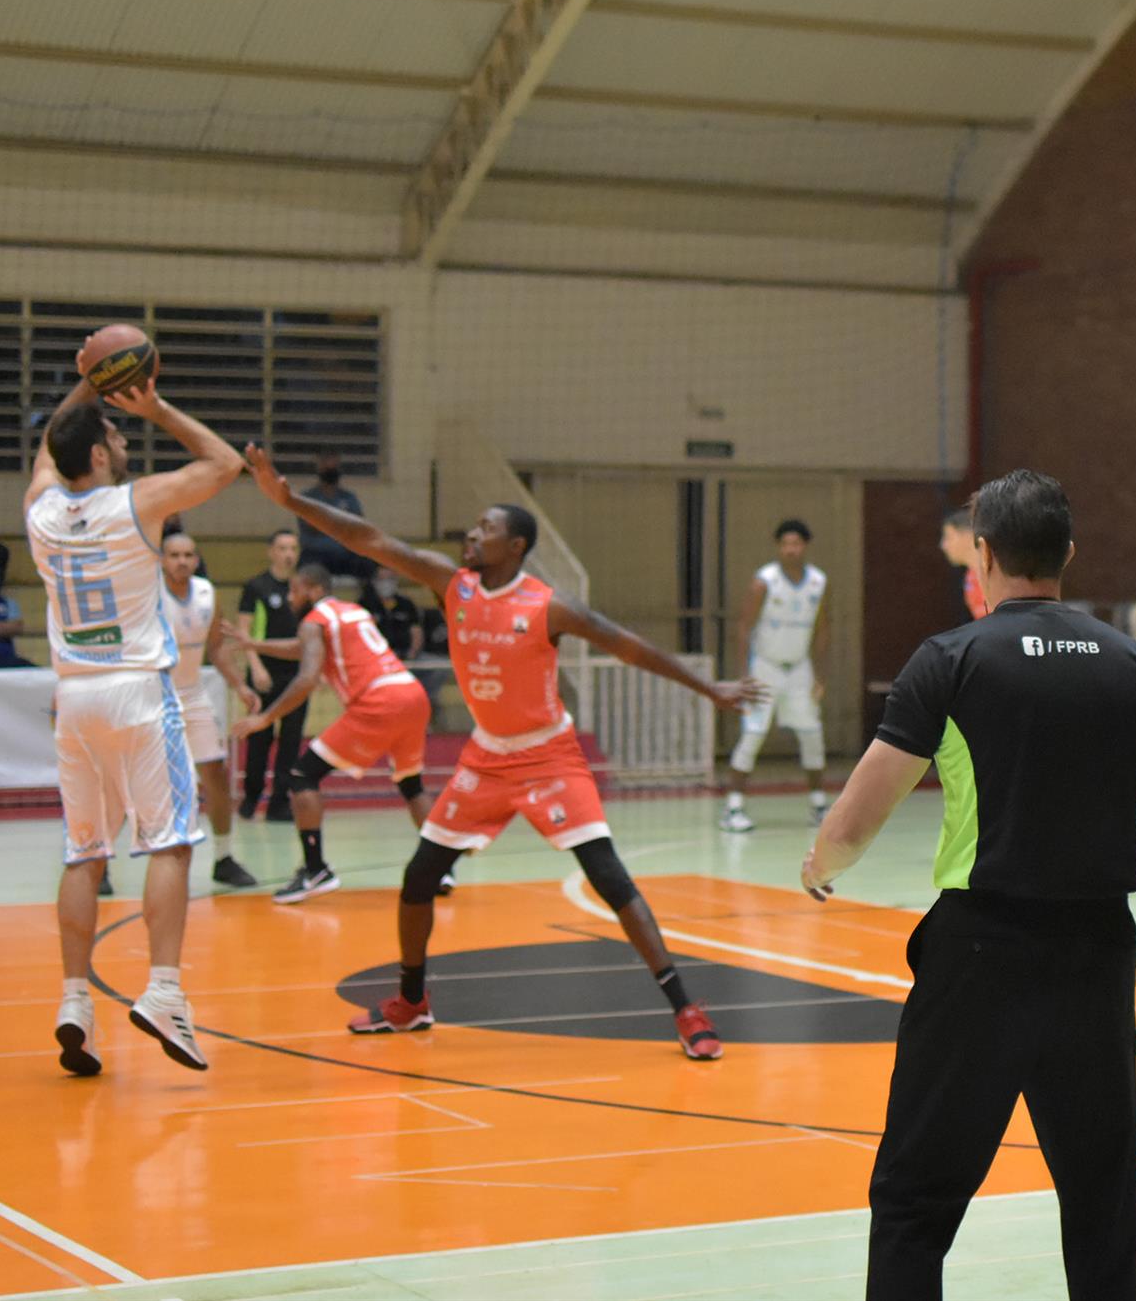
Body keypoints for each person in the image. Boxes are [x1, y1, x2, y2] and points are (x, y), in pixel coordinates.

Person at [802, 469, 1136, 1300]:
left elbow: (853, 823)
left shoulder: (951, 659)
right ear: (1067, 552)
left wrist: (822, 868)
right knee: (1101, 1204)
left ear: (984, 553)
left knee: (916, 1200)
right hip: (1097, 953)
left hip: (978, 954)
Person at [241, 444, 758, 1056]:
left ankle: (685, 1007)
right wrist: (291, 500)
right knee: (419, 878)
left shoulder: (547, 605)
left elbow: (628, 647)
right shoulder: (450, 584)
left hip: (550, 756)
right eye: (476, 525)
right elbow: (372, 539)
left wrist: (710, 687)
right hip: (487, 758)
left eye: (487, 528)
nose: (473, 534)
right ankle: (411, 1000)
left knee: (611, 878)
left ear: (515, 546)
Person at [24, 364, 244, 1075]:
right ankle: (165, 992)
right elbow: (226, 463)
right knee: (171, 844)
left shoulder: (40, 511)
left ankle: (74, 1003)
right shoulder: (135, 504)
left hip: (74, 699)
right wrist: (155, 406)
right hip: (140, 695)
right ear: (97, 454)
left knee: (84, 853)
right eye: (114, 434)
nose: (122, 440)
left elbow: (46, 455)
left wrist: (88, 385)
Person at [226, 562, 436, 904]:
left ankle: (315, 870)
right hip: (410, 694)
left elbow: (306, 677)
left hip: (378, 701)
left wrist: (265, 718)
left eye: (295, 590)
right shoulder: (351, 610)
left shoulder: (314, 620)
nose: (291, 598)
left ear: (312, 589)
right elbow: (303, 647)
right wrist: (254, 644)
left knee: (301, 777)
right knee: (411, 783)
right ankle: (439, 867)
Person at [157, 529, 259, 890]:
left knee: (215, 773)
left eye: (188, 555)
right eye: (174, 555)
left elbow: (216, 648)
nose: (182, 561)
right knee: (138, 779)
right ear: (162, 559)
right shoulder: (147, 593)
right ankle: (104, 864)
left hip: (191, 692)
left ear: (197, 560)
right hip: (152, 695)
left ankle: (223, 857)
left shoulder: (206, 592)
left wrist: (240, 685)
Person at [720, 519, 833, 833]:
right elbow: (743, 627)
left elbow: (823, 629)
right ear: (778, 547)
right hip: (765, 668)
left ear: (805, 546)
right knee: (753, 734)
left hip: (799, 668)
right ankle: (733, 807)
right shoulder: (764, 581)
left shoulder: (818, 582)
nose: (791, 549)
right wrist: (745, 677)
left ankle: (818, 804)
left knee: (812, 735)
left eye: (796, 544)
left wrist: (819, 676)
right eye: (785, 544)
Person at [236, 529, 305, 821]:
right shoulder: (256, 587)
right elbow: (244, 631)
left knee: (291, 741)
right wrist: (257, 667)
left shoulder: (302, 588)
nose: (288, 554)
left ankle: (279, 802)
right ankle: (251, 798)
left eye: (292, 548)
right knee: (259, 738)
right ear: (271, 552)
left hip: (297, 676)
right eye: (282, 548)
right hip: (265, 674)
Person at [296, 451, 369, 580]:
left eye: (334, 466)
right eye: (326, 466)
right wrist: (341, 523)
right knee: (306, 564)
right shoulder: (308, 497)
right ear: (319, 468)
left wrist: (324, 521)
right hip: (316, 554)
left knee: (368, 562)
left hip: (345, 553)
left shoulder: (349, 498)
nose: (330, 469)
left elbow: (357, 527)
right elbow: (311, 526)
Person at [0, 540, 31, 667]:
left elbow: (16, 628)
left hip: (5, 661)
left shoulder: (9, 603)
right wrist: (1, 630)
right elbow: (8, 628)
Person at [939, 507, 988, 621]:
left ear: (968, 535)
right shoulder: (970, 578)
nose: (943, 545)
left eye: (949, 537)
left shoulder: (999, 570)